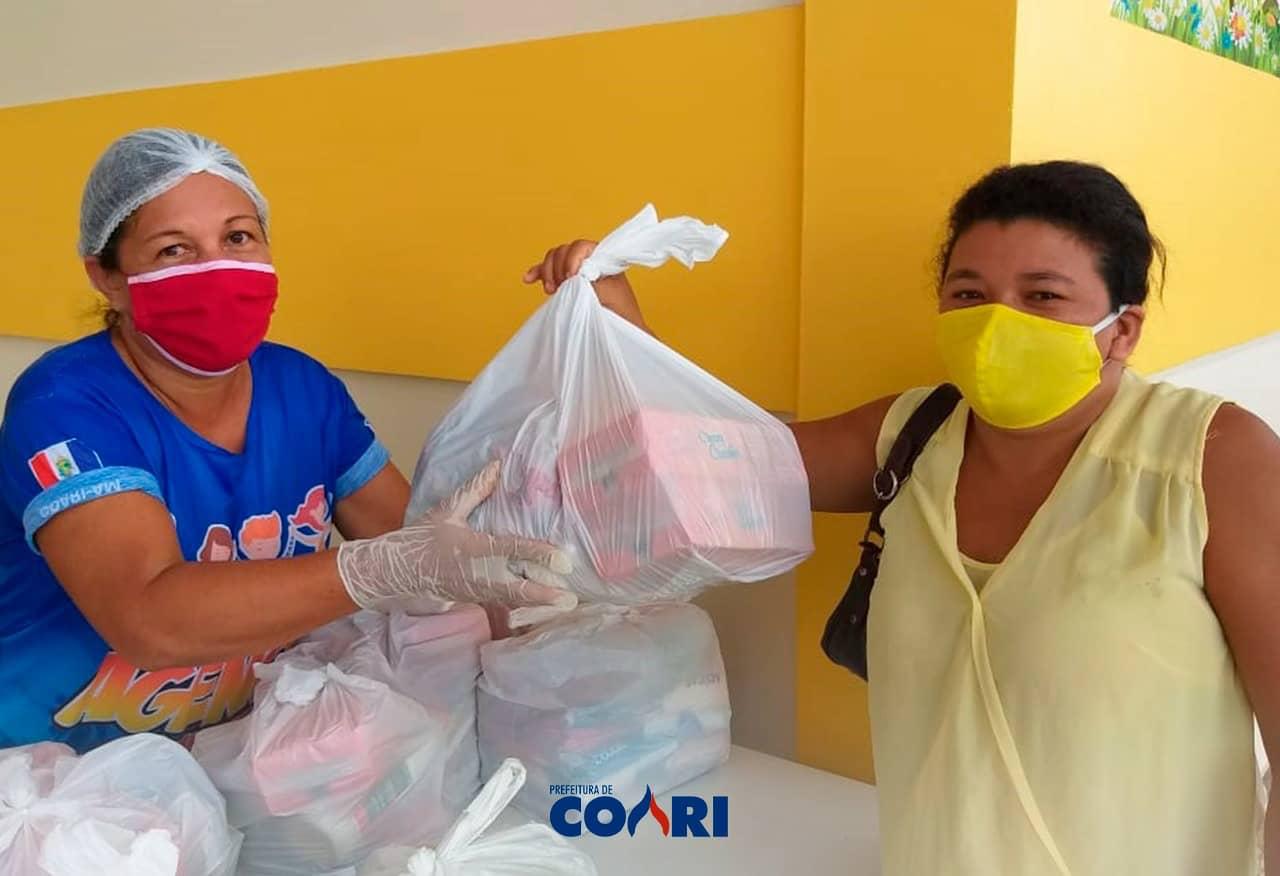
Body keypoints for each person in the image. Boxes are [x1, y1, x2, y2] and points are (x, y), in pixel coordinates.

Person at [529, 161, 1279, 874]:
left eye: (1043, 297)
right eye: (968, 294)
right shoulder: (912, 434)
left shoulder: (1212, 458)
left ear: (1122, 329)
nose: (995, 323)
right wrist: (617, 323)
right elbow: (713, 465)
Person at [0, 128, 574, 752]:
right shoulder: (66, 404)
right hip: (54, 782)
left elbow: (428, 548)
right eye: (173, 250)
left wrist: (595, 331)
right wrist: (381, 567)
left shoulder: (301, 388)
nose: (215, 267)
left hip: (234, 758)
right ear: (107, 277)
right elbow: (150, 619)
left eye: (238, 237)